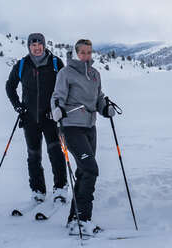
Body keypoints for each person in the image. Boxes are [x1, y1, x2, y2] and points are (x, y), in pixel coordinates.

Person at [51, 38, 117, 235]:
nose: (86, 56)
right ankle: (83, 220)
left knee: (82, 172)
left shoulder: (95, 74)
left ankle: (75, 219)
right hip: (71, 127)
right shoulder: (66, 73)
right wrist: (57, 109)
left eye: (89, 52)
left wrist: (105, 108)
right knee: (90, 170)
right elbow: (57, 96)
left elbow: (98, 98)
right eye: (83, 52)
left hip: (90, 127)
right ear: (76, 53)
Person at [5, 32, 68, 205]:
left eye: (39, 44)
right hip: (30, 118)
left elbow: (64, 87)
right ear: (29, 46)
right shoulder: (22, 64)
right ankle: (38, 190)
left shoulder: (55, 63)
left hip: (50, 117)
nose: (37, 47)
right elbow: (10, 86)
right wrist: (18, 106)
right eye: (33, 45)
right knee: (33, 156)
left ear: (44, 45)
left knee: (56, 152)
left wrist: (57, 108)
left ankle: (60, 188)